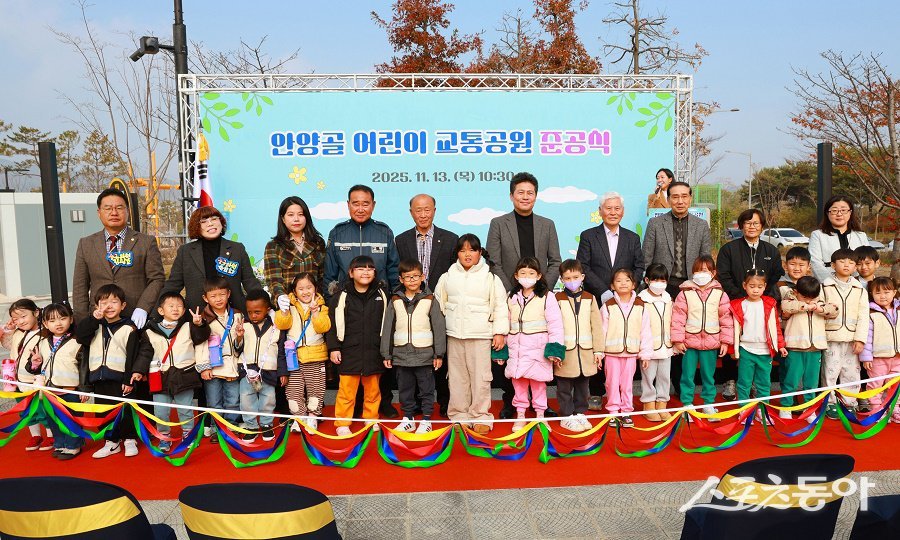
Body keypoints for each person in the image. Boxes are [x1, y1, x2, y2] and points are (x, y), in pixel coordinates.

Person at [487, 172, 561, 419]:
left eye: (530, 192)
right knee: (515, 349)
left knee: (538, 351)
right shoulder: (498, 223)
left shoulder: (547, 224)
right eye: (520, 192)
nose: (525, 197)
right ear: (511, 195)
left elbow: (555, 262)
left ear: (536, 196)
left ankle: (541, 404)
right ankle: (511, 402)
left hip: (539, 296)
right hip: (510, 296)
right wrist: (512, 288)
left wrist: (541, 287)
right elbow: (493, 261)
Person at [323, 185, 400, 419]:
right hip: (347, 306)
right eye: (355, 203)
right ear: (347, 205)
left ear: (373, 205)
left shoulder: (384, 232)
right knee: (350, 359)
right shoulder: (337, 233)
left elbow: (393, 269)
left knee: (378, 354)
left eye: (365, 203)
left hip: (378, 304)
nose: (360, 208)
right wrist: (332, 302)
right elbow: (329, 274)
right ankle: (351, 409)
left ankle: (380, 404)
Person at [434, 234, 509, 434]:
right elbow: (438, 305)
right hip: (454, 336)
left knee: (481, 378)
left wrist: (499, 333)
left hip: (481, 336)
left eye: (472, 250)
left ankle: (481, 416)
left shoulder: (491, 277)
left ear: (479, 253)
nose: (467, 254)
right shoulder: (447, 276)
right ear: (457, 253)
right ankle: (459, 415)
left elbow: (500, 306)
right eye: (463, 250)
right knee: (457, 378)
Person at [577, 191, 645, 407]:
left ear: (623, 212)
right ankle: (596, 392)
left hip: (626, 302)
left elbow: (639, 267)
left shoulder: (632, 238)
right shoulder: (588, 236)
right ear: (600, 211)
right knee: (599, 344)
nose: (613, 212)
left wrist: (625, 292)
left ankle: (623, 399)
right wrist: (605, 292)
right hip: (598, 300)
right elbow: (583, 267)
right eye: (608, 208)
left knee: (622, 347)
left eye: (617, 208)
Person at [394, 194, 458, 417]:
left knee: (440, 352)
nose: (423, 214)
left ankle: (444, 401)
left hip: (440, 304)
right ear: (411, 212)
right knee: (418, 355)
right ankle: (419, 403)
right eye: (418, 210)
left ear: (434, 210)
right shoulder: (400, 240)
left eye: (427, 209)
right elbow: (397, 273)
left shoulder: (450, 239)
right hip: (412, 306)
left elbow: (455, 275)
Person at [715, 208, 784, 401]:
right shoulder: (729, 249)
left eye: (755, 223)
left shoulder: (771, 250)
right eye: (747, 223)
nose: (751, 226)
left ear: (762, 226)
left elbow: (776, 273)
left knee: (758, 337)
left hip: (763, 303)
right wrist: (739, 296)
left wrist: (761, 295)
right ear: (741, 225)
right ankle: (730, 380)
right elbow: (723, 275)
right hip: (735, 302)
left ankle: (755, 383)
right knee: (734, 339)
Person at [72, 188, 165, 327]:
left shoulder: (146, 242)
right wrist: (82, 321)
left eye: (119, 207)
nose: (114, 212)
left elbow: (157, 279)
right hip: (99, 318)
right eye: (108, 208)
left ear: (127, 211)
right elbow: (80, 286)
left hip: (135, 319)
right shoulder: (86, 244)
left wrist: (143, 308)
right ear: (99, 213)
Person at [76, 284, 146, 459]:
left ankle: (130, 439)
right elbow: (81, 337)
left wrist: (129, 379)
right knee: (104, 410)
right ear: (97, 306)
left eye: (114, 302)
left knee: (126, 410)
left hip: (122, 378)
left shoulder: (129, 327)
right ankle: (111, 442)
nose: (109, 306)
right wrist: (93, 319)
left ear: (123, 306)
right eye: (104, 302)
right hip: (99, 377)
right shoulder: (94, 325)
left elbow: (133, 355)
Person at [381, 259, 446, 434]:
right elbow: (388, 327)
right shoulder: (395, 300)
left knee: (426, 389)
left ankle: (426, 420)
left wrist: (438, 354)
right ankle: (408, 418)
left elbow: (438, 327)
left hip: (424, 355)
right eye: (407, 277)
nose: (412, 280)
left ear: (422, 277)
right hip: (401, 355)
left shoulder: (430, 299)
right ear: (401, 279)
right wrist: (386, 354)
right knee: (404, 389)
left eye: (416, 276)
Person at [327, 256, 388, 436]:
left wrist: (386, 352)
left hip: (374, 351)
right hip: (348, 352)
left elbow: (387, 324)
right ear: (351, 273)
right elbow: (332, 324)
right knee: (346, 391)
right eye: (360, 268)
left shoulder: (381, 294)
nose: (365, 272)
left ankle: (371, 418)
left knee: (373, 391)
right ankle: (342, 423)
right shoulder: (341, 295)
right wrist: (334, 348)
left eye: (370, 268)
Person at [162, 206, 263, 314]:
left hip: (233, 314)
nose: (210, 224)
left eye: (214, 219)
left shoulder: (237, 249)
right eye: (204, 221)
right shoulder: (185, 251)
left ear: (221, 222)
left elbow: (250, 281)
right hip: (197, 315)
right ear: (196, 226)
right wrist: (155, 316)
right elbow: (173, 285)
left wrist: (266, 306)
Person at [139, 292, 206, 452]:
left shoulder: (189, 326)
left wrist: (199, 325)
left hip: (184, 375)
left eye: (179, 306)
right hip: (160, 377)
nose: (175, 309)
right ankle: (164, 437)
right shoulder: (150, 331)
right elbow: (145, 353)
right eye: (171, 306)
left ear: (184, 311)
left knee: (185, 409)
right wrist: (138, 371)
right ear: (161, 310)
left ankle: (188, 435)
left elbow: (202, 337)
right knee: (161, 411)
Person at [504, 257, 565, 432]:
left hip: (538, 351)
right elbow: (505, 323)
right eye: (523, 273)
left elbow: (555, 324)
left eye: (531, 273)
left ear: (538, 276)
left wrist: (555, 350)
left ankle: (540, 416)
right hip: (517, 351)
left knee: (539, 385)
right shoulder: (511, 297)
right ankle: (521, 415)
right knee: (519, 384)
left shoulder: (547, 297)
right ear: (516, 276)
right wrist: (502, 352)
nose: (527, 276)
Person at [671, 255, 734, 421]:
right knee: (687, 375)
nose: (701, 273)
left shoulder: (720, 294)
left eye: (704, 270)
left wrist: (725, 341)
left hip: (712, 342)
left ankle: (708, 404)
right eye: (697, 270)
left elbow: (726, 319)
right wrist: (677, 340)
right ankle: (687, 405)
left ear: (713, 273)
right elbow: (677, 317)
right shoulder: (684, 293)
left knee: (708, 375)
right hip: (689, 343)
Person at [274, 273, 331, 432]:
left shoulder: (322, 307)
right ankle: (299, 418)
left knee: (316, 389)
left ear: (316, 289)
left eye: (309, 287)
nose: (305, 292)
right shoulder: (288, 306)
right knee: (293, 391)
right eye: (301, 289)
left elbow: (324, 327)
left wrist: (315, 313)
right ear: (294, 291)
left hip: (316, 356)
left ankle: (312, 418)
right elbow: (282, 325)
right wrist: (284, 311)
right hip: (294, 358)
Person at [30, 303, 87, 460]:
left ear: (71, 319)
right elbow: (34, 367)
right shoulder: (42, 342)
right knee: (53, 419)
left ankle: (74, 445)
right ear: (45, 324)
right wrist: (35, 362)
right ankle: (60, 443)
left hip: (70, 390)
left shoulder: (77, 342)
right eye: (53, 320)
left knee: (71, 419)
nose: (58, 323)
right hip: (50, 391)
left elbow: (84, 367)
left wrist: (84, 389)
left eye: (63, 318)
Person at [729, 270, 788, 424]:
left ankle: (762, 411)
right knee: (744, 382)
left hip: (765, 350)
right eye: (752, 286)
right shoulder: (738, 305)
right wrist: (732, 350)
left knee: (764, 383)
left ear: (765, 286)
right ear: (744, 286)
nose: (755, 290)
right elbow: (733, 330)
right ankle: (745, 410)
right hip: (746, 349)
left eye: (759, 286)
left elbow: (775, 326)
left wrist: (780, 345)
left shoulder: (769, 304)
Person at [554, 260, 603, 433]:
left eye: (575, 277)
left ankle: (580, 412)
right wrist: (556, 352)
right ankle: (566, 416)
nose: (572, 280)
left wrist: (598, 350)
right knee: (564, 386)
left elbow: (596, 326)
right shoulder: (556, 299)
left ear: (582, 277)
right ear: (561, 279)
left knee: (583, 385)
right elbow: (554, 327)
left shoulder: (590, 298)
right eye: (567, 278)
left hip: (586, 352)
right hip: (565, 352)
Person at [598, 269, 652, 427]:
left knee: (627, 384)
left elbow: (646, 331)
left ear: (634, 284)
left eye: (627, 280)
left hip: (631, 354)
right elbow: (601, 331)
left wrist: (646, 354)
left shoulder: (640, 306)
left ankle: (627, 411)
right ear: (612, 286)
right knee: (611, 383)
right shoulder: (608, 306)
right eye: (619, 280)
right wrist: (599, 353)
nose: (623, 283)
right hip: (612, 354)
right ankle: (613, 412)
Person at [642, 181, 712, 300]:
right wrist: (647, 286)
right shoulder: (655, 224)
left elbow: (705, 258)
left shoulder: (701, 225)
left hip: (692, 286)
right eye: (675, 197)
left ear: (690, 199)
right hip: (661, 286)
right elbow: (646, 257)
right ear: (668, 200)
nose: (680, 201)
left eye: (684, 196)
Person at [821, 248, 869, 419]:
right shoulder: (825, 286)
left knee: (852, 372)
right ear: (833, 265)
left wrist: (860, 339)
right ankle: (830, 403)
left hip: (851, 340)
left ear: (856, 267)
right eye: (842, 261)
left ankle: (850, 402)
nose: (846, 264)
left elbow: (864, 316)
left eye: (851, 262)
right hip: (831, 338)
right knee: (830, 372)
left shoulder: (860, 289)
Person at [781, 276, 838, 418]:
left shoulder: (820, 304)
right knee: (791, 381)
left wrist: (818, 307)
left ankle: (809, 410)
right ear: (796, 292)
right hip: (795, 349)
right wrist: (806, 306)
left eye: (813, 297)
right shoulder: (790, 302)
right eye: (805, 297)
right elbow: (786, 307)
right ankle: (786, 407)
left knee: (811, 383)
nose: (809, 300)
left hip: (815, 350)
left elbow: (834, 310)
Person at [193, 277, 241, 442]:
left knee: (233, 400)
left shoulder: (237, 315)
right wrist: (204, 367)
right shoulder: (202, 319)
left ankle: (230, 428)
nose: (218, 299)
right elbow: (199, 345)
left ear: (229, 294)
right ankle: (216, 429)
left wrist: (240, 338)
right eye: (213, 296)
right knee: (214, 402)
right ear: (205, 298)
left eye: (222, 294)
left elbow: (240, 345)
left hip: (232, 366)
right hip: (212, 368)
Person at [1, 299, 53, 451]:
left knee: (42, 409)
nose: (21, 321)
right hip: (16, 380)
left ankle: (51, 435)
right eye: (16, 319)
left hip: (35, 380)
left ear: (36, 313)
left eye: (24, 316)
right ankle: (35, 435)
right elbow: (8, 344)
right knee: (25, 411)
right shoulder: (18, 332)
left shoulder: (45, 333)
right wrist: (9, 330)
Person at [235, 290, 287, 442]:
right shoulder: (244, 325)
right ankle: (251, 426)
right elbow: (237, 349)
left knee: (268, 399)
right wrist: (239, 337)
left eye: (257, 312)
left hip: (269, 370)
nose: (253, 316)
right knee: (246, 399)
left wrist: (283, 372)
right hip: (247, 370)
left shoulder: (276, 327)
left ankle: (266, 425)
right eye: (250, 312)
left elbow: (282, 352)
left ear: (268, 310)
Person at [263, 196, 327, 304]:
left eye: (300, 214)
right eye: (291, 215)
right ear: (283, 219)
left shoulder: (317, 243)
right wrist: (280, 297)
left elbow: (323, 277)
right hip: (288, 307)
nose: (296, 219)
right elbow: (274, 280)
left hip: (315, 306)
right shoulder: (273, 246)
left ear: (306, 217)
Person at [637, 263, 675, 422]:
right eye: (655, 280)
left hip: (666, 346)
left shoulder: (668, 298)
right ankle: (648, 404)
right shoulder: (641, 300)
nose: (659, 284)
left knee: (665, 377)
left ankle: (662, 404)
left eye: (663, 281)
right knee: (648, 377)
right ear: (647, 280)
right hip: (649, 347)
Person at [861, 277, 900, 423]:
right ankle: (877, 410)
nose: (882, 296)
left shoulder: (899, 310)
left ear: (894, 292)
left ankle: (894, 408)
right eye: (878, 293)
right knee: (875, 385)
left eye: (886, 292)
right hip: (877, 358)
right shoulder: (871, 313)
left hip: (897, 357)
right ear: (871, 294)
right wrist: (866, 357)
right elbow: (867, 337)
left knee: (895, 385)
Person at [808, 195, 869, 282]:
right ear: (827, 213)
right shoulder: (818, 235)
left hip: (857, 285)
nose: (839, 214)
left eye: (843, 210)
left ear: (850, 212)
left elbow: (867, 261)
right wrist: (832, 284)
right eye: (834, 210)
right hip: (827, 285)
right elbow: (815, 263)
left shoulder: (860, 235)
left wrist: (858, 283)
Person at [853, 244, 881, 412]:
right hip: (857, 329)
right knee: (857, 365)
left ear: (877, 263)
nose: (863, 267)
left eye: (868, 263)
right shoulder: (853, 283)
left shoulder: (883, 284)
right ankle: (858, 396)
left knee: (876, 365)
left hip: (878, 332)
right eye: (859, 263)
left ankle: (876, 396)